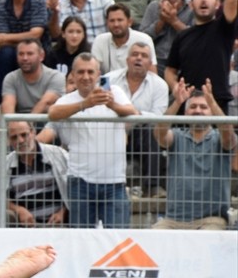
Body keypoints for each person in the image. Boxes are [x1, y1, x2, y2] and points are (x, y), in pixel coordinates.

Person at [47, 53, 137, 227]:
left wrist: (112, 105)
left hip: (114, 182)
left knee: (118, 240)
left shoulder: (114, 92)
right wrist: (85, 104)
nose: (86, 77)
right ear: (72, 74)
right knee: (82, 241)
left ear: (99, 74)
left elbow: (132, 112)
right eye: (80, 72)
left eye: (90, 72)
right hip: (80, 182)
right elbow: (53, 113)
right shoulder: (67, 100)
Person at [154, 79, 236, 229]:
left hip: (212, 219)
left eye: (204, 107)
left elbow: (228, 135)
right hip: (173, 219)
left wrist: (212, 101)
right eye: (193, 107)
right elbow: (159, 133)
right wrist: (177, 102)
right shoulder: (177, 137)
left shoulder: (220, 138)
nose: (198, 110)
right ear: (185, 113)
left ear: (211, 112)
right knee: (153, 241)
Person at [165, 0, 237, 112]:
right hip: (187, 103)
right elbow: (170, 70)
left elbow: (232, 0)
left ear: (218, 4)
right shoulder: (183, 36)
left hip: (216, 101)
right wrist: (175, 86)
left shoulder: (223, 29)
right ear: (191, 4)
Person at [105, 40, 168, 195]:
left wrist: (135, 115)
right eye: (134, 55)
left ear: (150, 62)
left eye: (144, 56)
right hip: (111, 131)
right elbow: (99, 108)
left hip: (140, 135)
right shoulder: (108, 79)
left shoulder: (160, 85)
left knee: (152, 129)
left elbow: (158, 118)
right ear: (127, 60)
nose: (138, 58)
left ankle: (153, 186)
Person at [0, 119, 69, 226]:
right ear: (8, 140)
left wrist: (64, 212)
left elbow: (76, 191)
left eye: (24, 135)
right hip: (23, 226)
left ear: (33, 132)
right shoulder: (4, 165)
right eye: (14, 137)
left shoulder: (58, 155)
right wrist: (18, 209)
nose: (20, 141)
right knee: (5, 216)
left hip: (58, 224)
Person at [139, 0, 191, 70]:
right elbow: (142, 38)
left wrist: (174, 21)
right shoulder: (153, 7)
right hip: (156, 59)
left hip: (184, 59)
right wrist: (161, 21)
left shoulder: (192, 8)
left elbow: (194, 38)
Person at [0, 39, 62, 114]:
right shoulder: (11, 78)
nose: (25, 58)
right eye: (21, 54)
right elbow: (8, 104)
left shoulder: (55, 76)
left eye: (30, 54)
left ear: (41, 56)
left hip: (47, 120)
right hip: (19, 120)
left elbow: (46, 102)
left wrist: (28, 123)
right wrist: (11, 123)